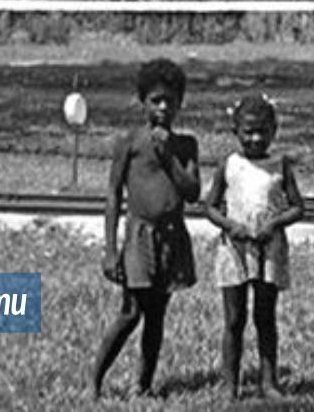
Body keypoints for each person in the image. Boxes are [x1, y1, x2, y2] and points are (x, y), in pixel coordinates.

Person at [91, 58, 201, 399]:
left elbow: (193, 191)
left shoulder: (186, 145)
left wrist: (169, 155)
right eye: (156, 100)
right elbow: (113, 194)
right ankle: (94, 379)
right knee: (131, 311)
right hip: (140, 236)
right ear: (143, 102)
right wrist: (111, 251)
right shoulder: (130, 142)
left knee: (156, 314)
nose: (164, 107)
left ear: (180, 103)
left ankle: (144, 384)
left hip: (171, 237)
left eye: (170, 100)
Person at [204, 93, 305, 401]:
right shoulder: (229, 165)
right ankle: (230, 384)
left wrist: (274, 224)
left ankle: (269, 382)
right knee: (234, 319)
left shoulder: (280, 165)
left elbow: (298, 207)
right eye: (248, 132)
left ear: (274, 130)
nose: (255, 138)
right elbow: (210, 206)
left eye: (262, 131)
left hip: (269, 248)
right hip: (235, 248)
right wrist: (230, 226)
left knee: (265, 316)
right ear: (236, 131)